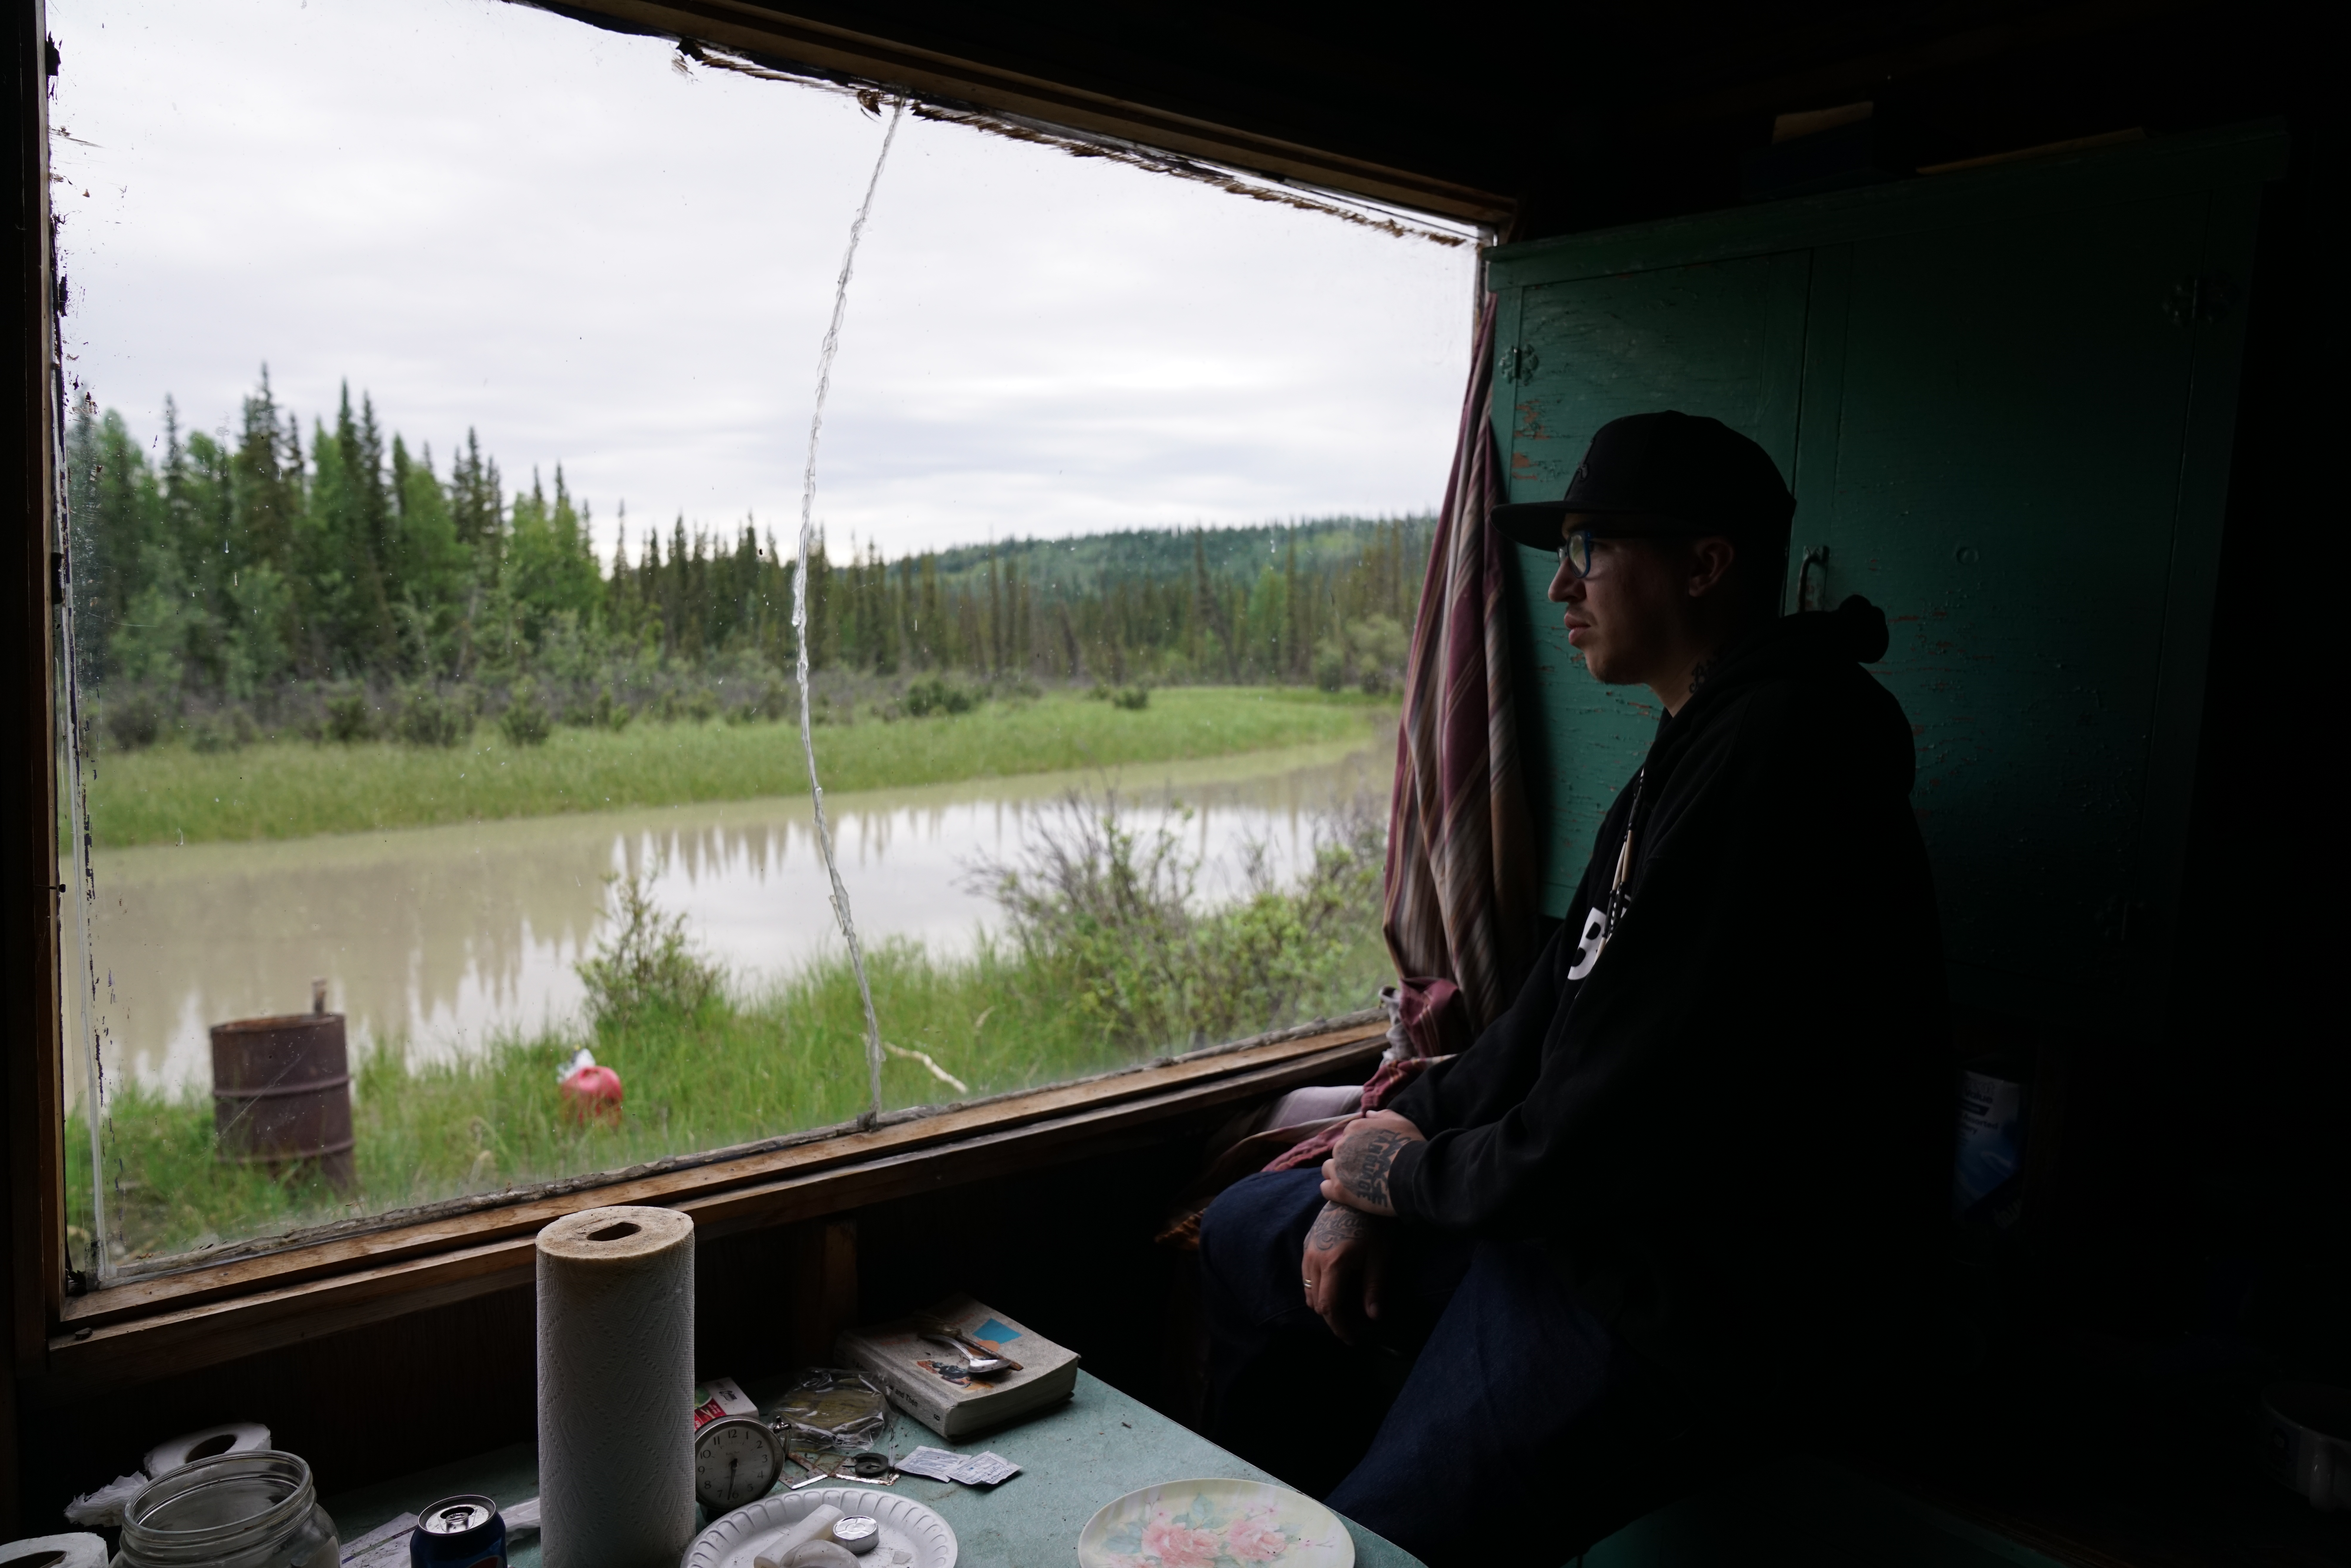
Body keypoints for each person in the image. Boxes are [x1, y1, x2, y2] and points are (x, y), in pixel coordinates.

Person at [1197, 412, 1950, 1565]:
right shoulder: (1683, 753)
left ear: (1705, 564)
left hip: (1683, 1299)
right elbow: (1539, 1023)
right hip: (1577, 1223)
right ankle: (1277, 1522)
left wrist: (1404, 1178)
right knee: (1249, 1230)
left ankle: (1345, 1530)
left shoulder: (1786, 757)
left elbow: (1618, 1127)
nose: (1560, 586)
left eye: (1591, 548)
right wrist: (1374, 1150)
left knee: (1379, 1543)